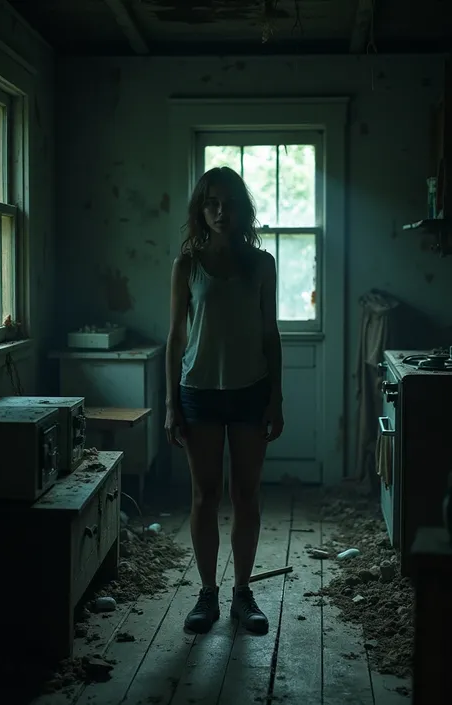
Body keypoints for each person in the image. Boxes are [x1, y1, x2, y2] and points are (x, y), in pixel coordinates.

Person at [164, 166, 284, 636]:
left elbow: (271, 334)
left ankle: (242, 594)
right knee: (204, 495)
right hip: (199, 393)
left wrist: (276, 396)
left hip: (251, 390)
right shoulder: (187, 265)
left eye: (229, 202)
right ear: (201, 209)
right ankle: (208, 594)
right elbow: (175, 337)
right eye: (212, 202)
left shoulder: (262, 263)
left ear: (241, 208)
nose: (220, 210)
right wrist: (171, 402)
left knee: (246, 495)